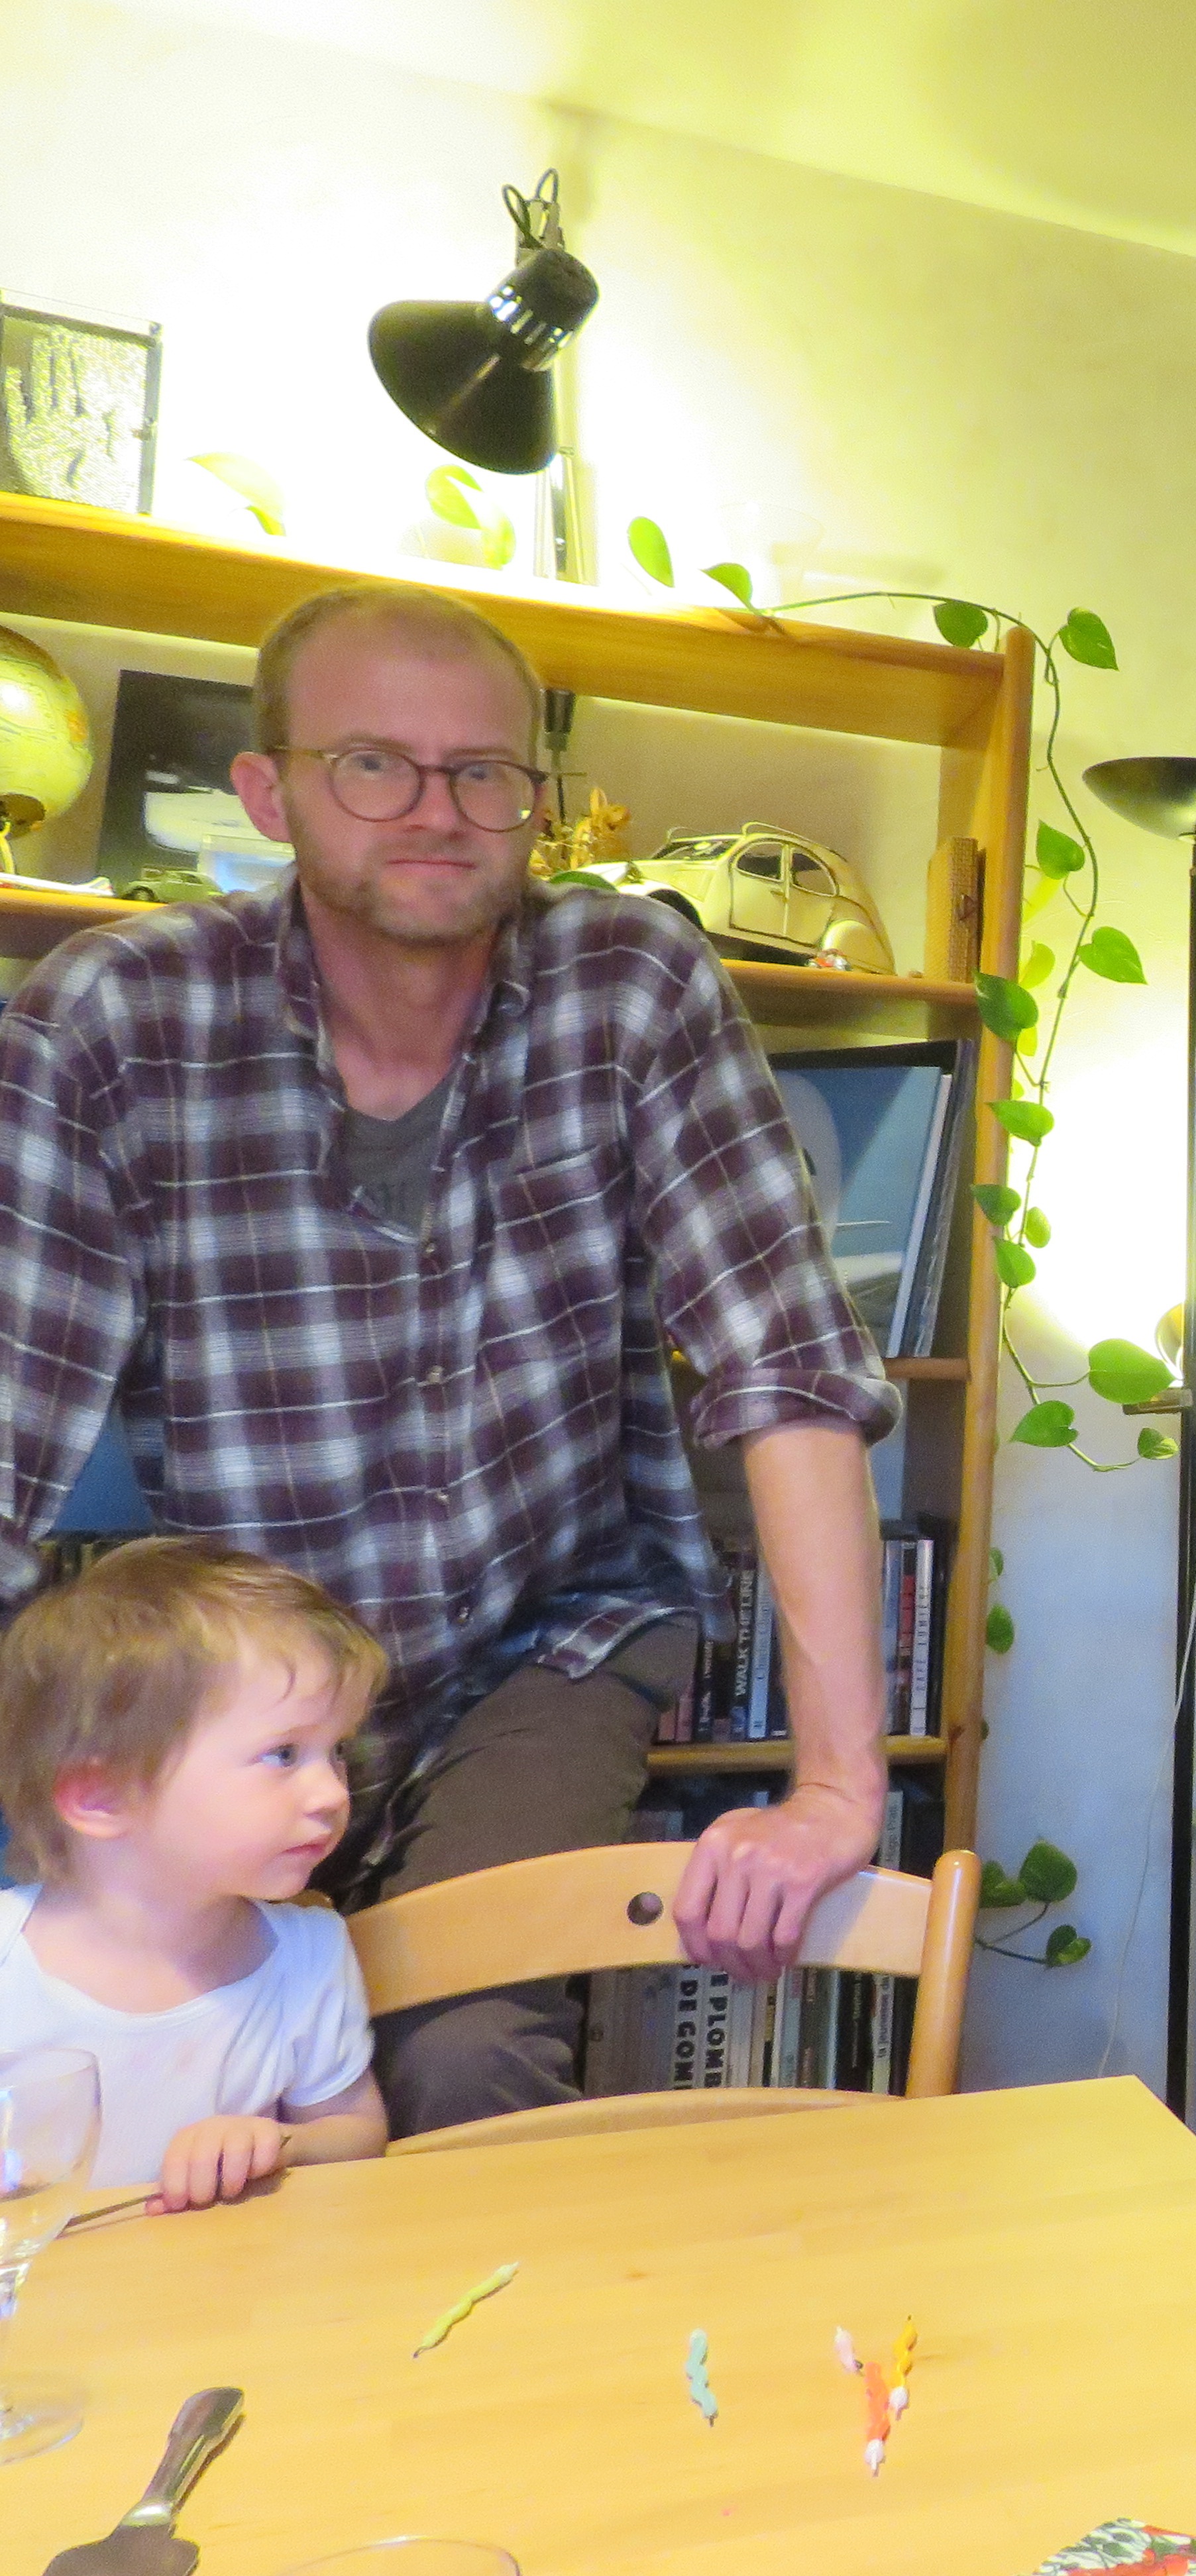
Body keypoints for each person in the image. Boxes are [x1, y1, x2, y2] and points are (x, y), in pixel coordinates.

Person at [0, 582, 898, 2133]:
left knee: (466, 2052)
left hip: (552, 1635)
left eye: (483, 771)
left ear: (535, 802)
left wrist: (834, 1790)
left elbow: (792, 1373)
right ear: (270, 790)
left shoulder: (634, 983)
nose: (437, 810)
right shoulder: (111, 1020)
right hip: (241, 1667)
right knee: (133, 2051)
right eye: (374, 764)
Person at [0, 1538, 388, 2206]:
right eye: (283, 1754)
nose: (331, 1794)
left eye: (337, 1752)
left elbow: (358, 2133)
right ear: (102, 1796)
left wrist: (278, 2142)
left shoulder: (308, 1956)